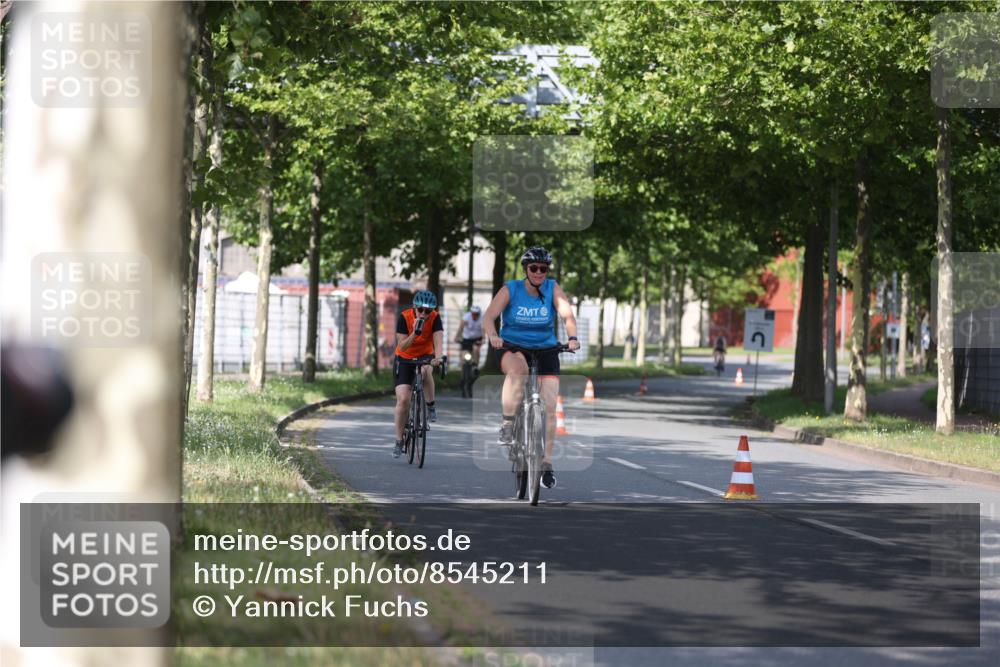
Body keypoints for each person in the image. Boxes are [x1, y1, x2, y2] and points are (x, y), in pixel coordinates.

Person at [482, 246, 581, 489]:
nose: (539, 272)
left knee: (549, 405)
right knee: (519, 371)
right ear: (526, 270)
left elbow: (567, 315)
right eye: (534, 268)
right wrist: (494, 335)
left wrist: (573, 337)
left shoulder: (552, 288)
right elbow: (489, 316)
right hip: (512, 345)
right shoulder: (511, 289)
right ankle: (507, 424)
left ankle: (546, 463)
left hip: (546, 348)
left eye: (543, 269)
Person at [392, 290, 444, 458]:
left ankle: (430, 406)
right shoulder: (404, 317)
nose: (424, 314)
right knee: (404, 400)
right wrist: (415, 332)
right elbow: (403, 346)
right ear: (414, 307)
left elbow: (438, 340)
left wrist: (438, 357)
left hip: (425, 356)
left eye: (428, 311)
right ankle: (399, 440)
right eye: (420, 309)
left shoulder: (435, 318)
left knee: (425, 371)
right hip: (405, 357)